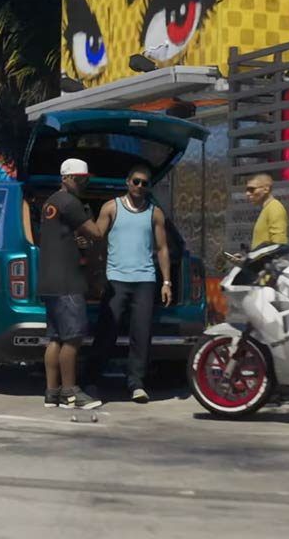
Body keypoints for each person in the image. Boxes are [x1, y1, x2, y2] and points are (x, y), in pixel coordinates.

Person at [89, 163, 172, 404]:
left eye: (145, 183)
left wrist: (167, 282)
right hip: (116, 280)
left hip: (145, 281)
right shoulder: (111, 207)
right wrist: (96, 275)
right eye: (136, 181)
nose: (139, 186)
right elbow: (96, 239)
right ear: (128, 182)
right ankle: (91, 380)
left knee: (141, 335)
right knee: (107, 333)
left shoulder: (155, 213)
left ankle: (136, 383)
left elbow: (162, 248)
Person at [39, 158, 105, 410]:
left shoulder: (51, 202)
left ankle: (52, 392)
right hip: (67, 280)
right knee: (73, 338)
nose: (82, 183)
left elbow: (62, 235)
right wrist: (108, 213)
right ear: (66, 178)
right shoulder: (70, 202)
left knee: (55, 338)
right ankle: (70, 392)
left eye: (85, 179)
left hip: (49, 279)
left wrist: (75, 241)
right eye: (78, 179)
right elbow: (96, 233)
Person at [247, 174, 288, 248]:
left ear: (266, 189)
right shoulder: (267, 209)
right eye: (247, 190)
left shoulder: (274, 207)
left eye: (252, 189)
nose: (247, 194)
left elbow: (278, 242)